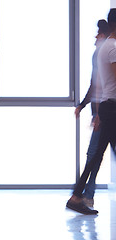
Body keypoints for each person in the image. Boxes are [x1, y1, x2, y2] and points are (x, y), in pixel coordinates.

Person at [67, 9, 116, 215]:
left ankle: (77, 196)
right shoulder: (112, 47)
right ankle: (78, 196)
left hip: (107, 106)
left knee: (96, 155)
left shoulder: (106, 47)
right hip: (112, 107)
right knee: (96, 155)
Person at [74, 19, 110, 208]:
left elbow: (98, 86)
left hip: (104, 112)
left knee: (94, 154)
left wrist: (95, 112)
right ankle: (83, 194)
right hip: (104, 111)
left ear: (103, 34)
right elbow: (97, 85)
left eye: (98, 33)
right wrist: (85, 106)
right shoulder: (105, 52)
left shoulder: (103, 52)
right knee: (95, 154)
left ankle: (82, 195)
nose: (95, 37)